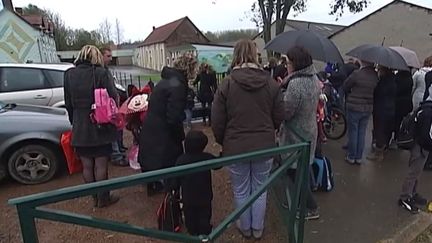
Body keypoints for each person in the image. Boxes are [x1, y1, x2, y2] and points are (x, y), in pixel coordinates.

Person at [212, 39, 284, 239]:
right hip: (264, 145)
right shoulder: (270, 83)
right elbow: (280, 114)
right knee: (260, 189)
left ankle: (245, 227)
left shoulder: (227, 84)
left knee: (241, 189)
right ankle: (257, 229)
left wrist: (223, 140)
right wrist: (271, 129)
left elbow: (217, 119)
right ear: (255, 55)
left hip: (236, 146)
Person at [64, 45, 119, 207]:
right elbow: (113, 95)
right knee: (101, 164)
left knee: (87, 165)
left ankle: (94, 198)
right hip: (99, 122)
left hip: (80, 124)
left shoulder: (69, 74)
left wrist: (74, 121)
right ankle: (104, 198)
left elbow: (68, 102)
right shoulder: (100, 73)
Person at [139, 54, 198, 196]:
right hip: (163, 133)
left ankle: (153, 185)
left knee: (153, 160)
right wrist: (180, 135)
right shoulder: (177, 86)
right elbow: (173, 116)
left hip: (151, 128)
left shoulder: (166, 81)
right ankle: (169, 198)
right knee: (168, 162)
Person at [278, 46, 321, 220]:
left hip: (296, 135)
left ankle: (311, 208)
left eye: (288, 62)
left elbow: (286, 112)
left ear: (296, 63)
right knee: (300, 170)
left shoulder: (295, 84)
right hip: (309, 130)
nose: (286, 65)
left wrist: (281, 94)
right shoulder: (313, 78)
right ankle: (297, 201)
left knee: (296, 174)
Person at [399, 72, 432, 213]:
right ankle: (404, 198)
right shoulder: (428, 111)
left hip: (423, 146)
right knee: (413, 172)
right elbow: (425, 134)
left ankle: (412, 192)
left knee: (417, 171)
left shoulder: (427, 107)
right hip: (421, 146)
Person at [175, 131, 217, 236]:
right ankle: (205, 232)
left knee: (190, 216)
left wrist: (174, 187)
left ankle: (193, 233)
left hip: (188, 196)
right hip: (204, 195)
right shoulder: (206, 157)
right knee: (204, 215)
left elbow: (175, 177)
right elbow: (218, 165)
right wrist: (221, 154)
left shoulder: (181, 160)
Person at [343, 60, 379, 164]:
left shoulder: (357, 73)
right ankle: (358, 157)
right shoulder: (375, 76)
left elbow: (346, 85)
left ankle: (351, 156)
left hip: (354, 107)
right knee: (361, 132)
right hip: (367, 107)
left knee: (353, 131)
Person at [100, 47, 128, 166]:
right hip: (107, 105)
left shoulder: (105, 70)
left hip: (111, 104)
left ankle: (119, 149)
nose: (111, 59)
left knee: (117, 127)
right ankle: (115, 155)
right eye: (108, 56)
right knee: (112, 129)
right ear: (101, 56)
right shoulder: (101, 71)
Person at [367, 66, 396, 161]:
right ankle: (384, 148)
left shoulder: (384, 82)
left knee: (379, 130)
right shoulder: (394, 80)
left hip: (381, 108)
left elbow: (378, 93)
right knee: (386, 130)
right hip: (390, 108)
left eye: (380, 69)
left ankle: (378, 153)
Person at [393, 70, 414, 142]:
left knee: (396, 120)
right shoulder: (410, 78)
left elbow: (396, 90)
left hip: (398, 102)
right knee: (400, 120)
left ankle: (395, 136)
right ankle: (397, 136)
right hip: (406, 103)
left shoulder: (397, 77)